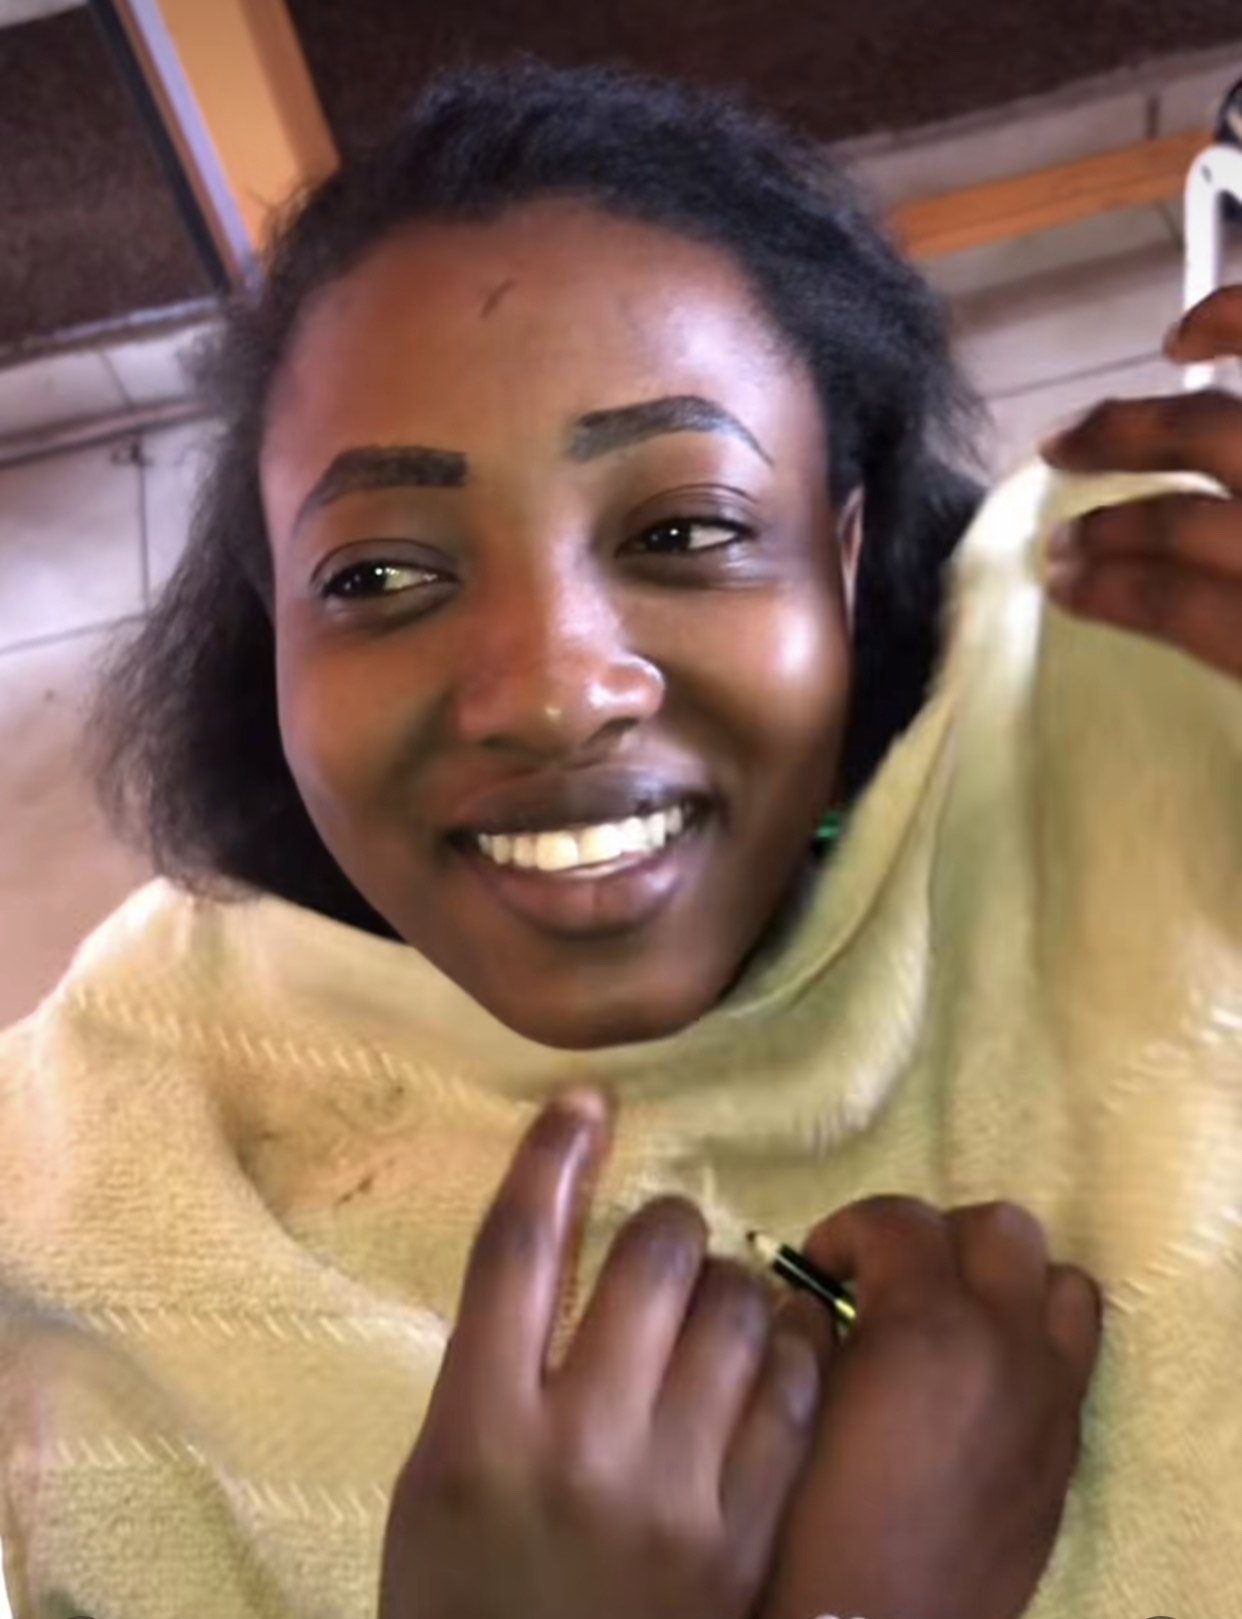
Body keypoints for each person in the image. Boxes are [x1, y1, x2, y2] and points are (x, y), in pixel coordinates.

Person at [0, 59, 1238, 1619]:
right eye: (379, 576)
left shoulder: (1142, 785)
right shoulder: (75, 1209)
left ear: (840, 555)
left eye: (683, 531)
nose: (550, 693)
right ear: (275, 631)